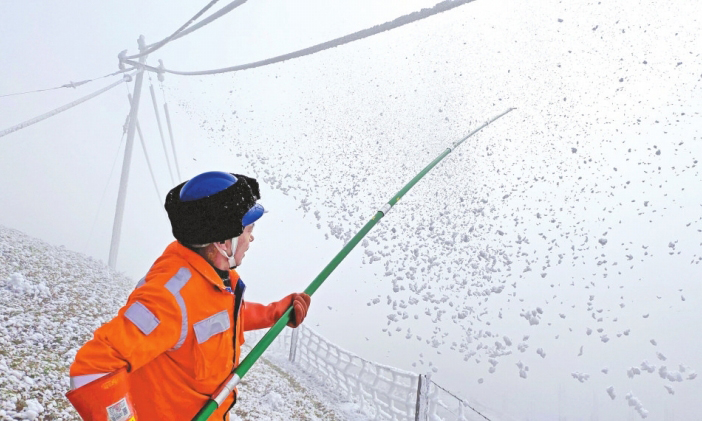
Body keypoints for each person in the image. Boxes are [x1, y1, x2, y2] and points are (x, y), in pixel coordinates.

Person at [66, 171, 311, 421]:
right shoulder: (169, 296)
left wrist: (273, 313)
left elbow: (218, 317)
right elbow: (92, 370)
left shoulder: (215, 278)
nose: (252, 237)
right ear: (223, 241)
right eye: (248, 229)